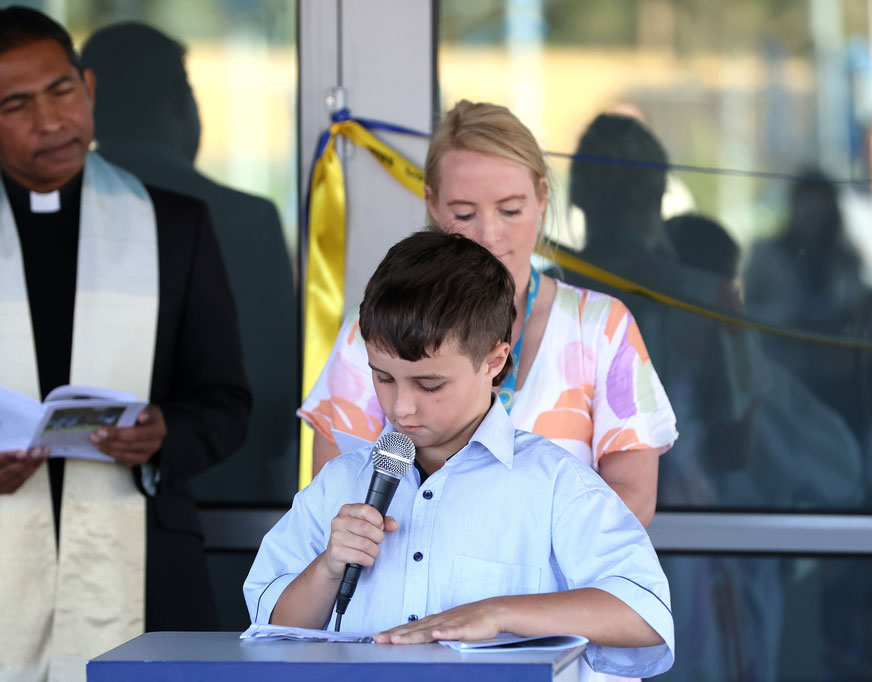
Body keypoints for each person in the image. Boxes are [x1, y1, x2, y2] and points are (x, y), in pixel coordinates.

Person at [0, 7, 250, 682]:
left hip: (145, 566)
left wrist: (163, 434)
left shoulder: (176, 227)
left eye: (62, 90)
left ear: (89, 88)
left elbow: (226, 401)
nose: (51, 121)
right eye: (17, 104)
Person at [245, 232, 674, 679]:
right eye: (383, 378)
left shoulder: (556, 483)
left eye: (429, 385)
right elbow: (268, 633)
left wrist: (500, 612)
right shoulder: (339, 484)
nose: (400, 407)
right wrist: (329, 567)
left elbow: (645, 615)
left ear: (494, 360)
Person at [299, 100, 676, 527]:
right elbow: (332, 501)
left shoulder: (601, 327)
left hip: (551, 593)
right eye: (464, 214)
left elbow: (632, 503)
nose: (489, 235)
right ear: (434, 206)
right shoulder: (369, 328)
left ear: (541, 198)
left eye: (510, 210)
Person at [81, 23, 298, 498]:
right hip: (231, 500)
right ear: (181, 105)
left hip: (72, 486)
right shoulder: (246, 219)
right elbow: (277, 401)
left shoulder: (57, 210)